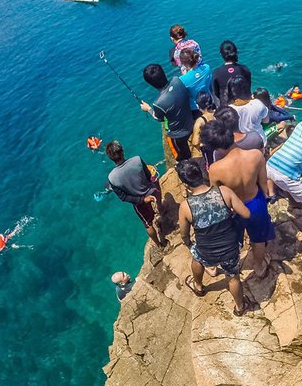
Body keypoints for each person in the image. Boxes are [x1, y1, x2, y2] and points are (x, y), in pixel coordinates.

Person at [176, 158, 251, 314]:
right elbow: (246, 213)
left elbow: (184, 234)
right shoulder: (224, 192)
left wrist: (189, 243)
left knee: (196, 257)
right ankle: (240, 307)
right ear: (201, 174)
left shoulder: (185, 207)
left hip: (206, 252)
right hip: (230, 249)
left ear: (186, 185)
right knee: (233, 278)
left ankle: (199, 287)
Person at [203, 118, 275, 277]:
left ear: (216, 147)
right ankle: (259, 267)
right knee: (259, 239)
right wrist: (265, 201)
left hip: (234, 208)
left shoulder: (215, 169)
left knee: (233, 240)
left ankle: (231, 267)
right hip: (256, 202)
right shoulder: (256, 155)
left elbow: (218, 196)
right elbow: (263, 183)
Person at [105, 140, 162, 245]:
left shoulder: (111, 177)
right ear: (122, 152)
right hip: (151, 192)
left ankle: (159, 245)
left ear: (110, 158)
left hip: (139, 203)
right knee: (156, 182)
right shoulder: (137, 160)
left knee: (148, 225)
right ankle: (160, 208)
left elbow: (124, 197)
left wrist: (142, 199)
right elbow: (149, 176)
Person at [141, 63, 195, 161]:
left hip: (179, 134)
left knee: (182, 153)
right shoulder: (177, 80)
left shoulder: (158, 103)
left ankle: (186, 162)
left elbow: (159, 119)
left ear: (150, 83)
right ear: (164, 73)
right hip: (191, 121)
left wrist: (148, 108)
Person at [227, 75, 269, 146]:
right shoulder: (258, 103)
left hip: (240, 146)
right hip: (260, 142)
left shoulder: (228, 110)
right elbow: (266, 121)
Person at [211, 40, 252, 106]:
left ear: (221, 54)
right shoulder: (244, 69)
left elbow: (216, 93)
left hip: (227, 107)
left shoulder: (216, 73)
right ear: (236, 52)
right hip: (245, 104)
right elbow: (248, 86)